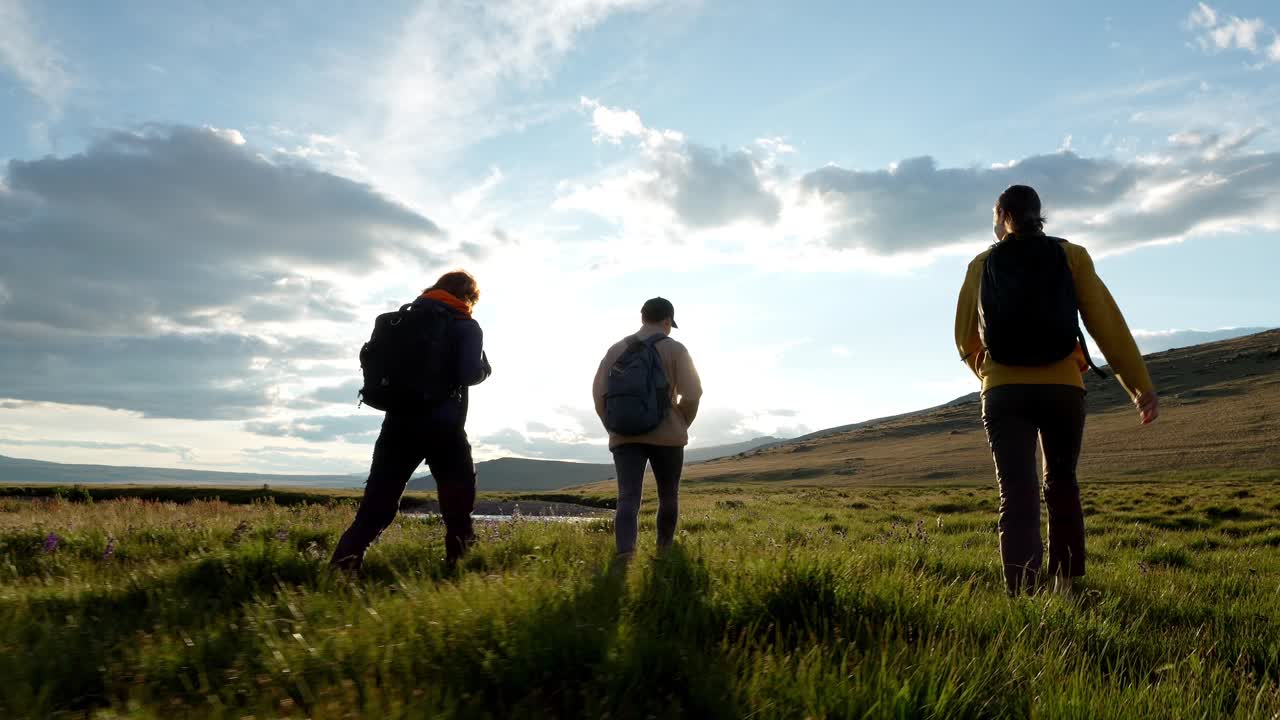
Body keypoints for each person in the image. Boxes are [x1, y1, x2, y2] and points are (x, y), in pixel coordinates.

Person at [954, 185, 1159, 596]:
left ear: (1001, 217)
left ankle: (1025, 593)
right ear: (1039, 215)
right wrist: (1139, 386)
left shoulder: (980, 264)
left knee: (1016, 491)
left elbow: (965, 340)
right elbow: (1107, 326)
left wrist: (990, 375)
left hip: (1004, 393)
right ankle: (1064, 586)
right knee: (1061, 483)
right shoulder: (1072, 255)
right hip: (1064, 389)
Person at [331, 270, 491, 573]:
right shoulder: (465, 325)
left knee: (376, 505)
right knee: (457, 507)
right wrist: (485, 368)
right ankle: (460, 573)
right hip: (444, 427)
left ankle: (341, 570)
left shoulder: (402, 320)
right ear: (468, 297)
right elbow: (469, 374)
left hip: (398, 423)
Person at [593, 297, 703, 559]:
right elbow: (692, 394)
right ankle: (663, 552)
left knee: (627, 498)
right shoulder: (676, 349)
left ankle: (625, 555)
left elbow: (599, 395)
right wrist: (680, 423)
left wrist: (614, 426)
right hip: (668, 436)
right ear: (667, 321)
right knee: (668, 495)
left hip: (624, 435)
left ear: (642, 318)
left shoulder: (616, 349)